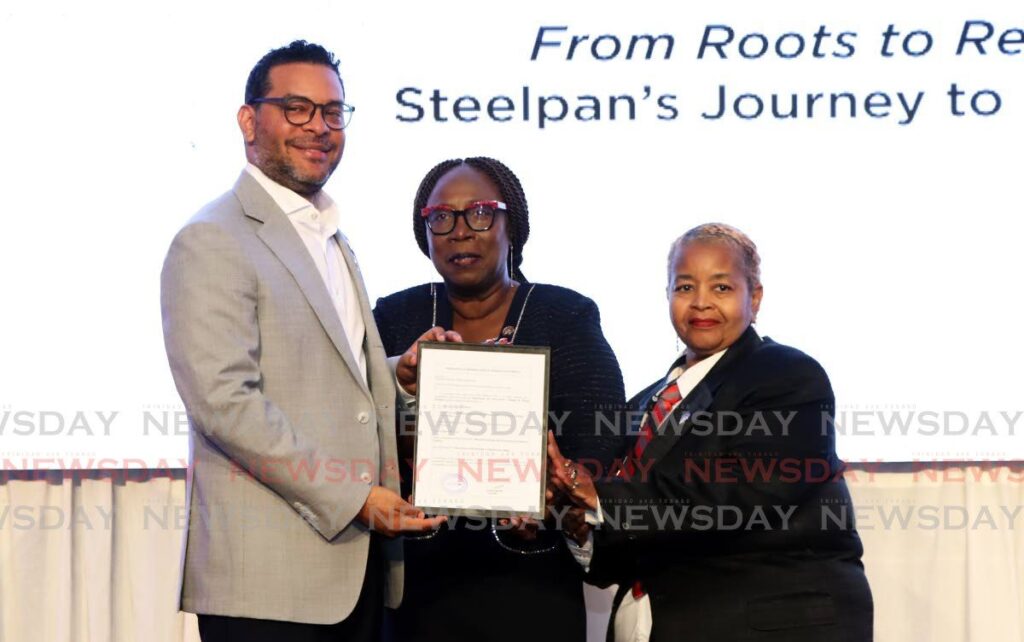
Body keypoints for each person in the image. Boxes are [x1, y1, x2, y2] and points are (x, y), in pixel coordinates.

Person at [160, 40, 442, 642]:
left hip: (354, 576)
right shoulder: (213, 239)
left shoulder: (330, 235)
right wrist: (357, 497)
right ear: (248, 120)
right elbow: (225, 404)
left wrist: (397, 376)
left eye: (333, 111)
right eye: (296, 108)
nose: (319, 127)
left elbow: (323, 379)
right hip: (269, 589)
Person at [548, 223, 873, 642]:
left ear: (754, 298)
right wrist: (579, 524)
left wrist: (599, 495)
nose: (700, 302)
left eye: (721, 288)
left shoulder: (787, 376)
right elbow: (632, 537)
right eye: (684, 287)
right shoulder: (642, 406)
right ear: (666, 295)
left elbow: (744, 491)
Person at [372, 156, 627, 642]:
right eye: (441, 217)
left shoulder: (564, 314)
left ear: (515, 224)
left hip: (529, 582)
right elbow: (356, 420)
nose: (460, 231)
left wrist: (555, 490)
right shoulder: (394, 316)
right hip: (416, 587)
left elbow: (600, 431)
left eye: (481, 213)